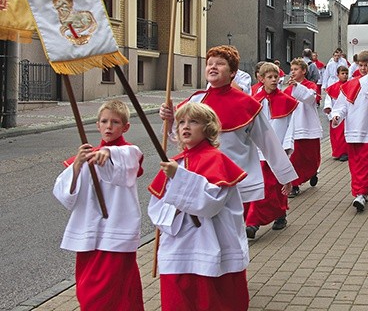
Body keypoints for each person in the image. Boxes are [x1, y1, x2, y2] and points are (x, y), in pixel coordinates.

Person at [159, 45, 297, 206]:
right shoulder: (195, 101)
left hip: (235, 179)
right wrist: (169, 120)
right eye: (210, 63)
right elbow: (179, 137)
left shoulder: (247, 104)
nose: (213, 67)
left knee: (229, 228)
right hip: (199, 178)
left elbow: (269, 142)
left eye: (220, 63)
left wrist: (285, 177)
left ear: (232, 72)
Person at [148, 102, 250, 310]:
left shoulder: (217, 160)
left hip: (211, 243)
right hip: (178, 246)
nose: (185, 126)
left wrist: (180, 178)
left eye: (193, 122)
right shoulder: (174, 163)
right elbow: (157, 208)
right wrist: (175, 200)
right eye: (181, 122)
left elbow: (210, 204)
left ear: (208, 128)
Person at [53, 100, 144, 310]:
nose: (109, 126)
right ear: (97, 125)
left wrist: (110, 153)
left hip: (116, 235)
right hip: (88, 235)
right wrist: (76, 166)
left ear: (125, 127)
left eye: (115, 122)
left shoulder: (129, 152)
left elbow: (130, 161)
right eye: (104, 121)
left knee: (112, 294)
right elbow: (65, 193)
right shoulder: (87, 155)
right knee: (87, 293)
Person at [245, 62, 298, 239]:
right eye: (270, 77)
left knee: (276, 184)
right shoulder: (254, 100)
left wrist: (287, 146)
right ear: (261, 79)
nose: (274, 80)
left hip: (278, 148)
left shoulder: (286, 101)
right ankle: (253, 222)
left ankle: (278, 214)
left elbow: (291, 126)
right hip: (258, 150)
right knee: (265, 185)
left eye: (276, 77)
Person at [330, 50, 368, 212]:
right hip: (354, 130)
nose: (362, 68)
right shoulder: (350, 84)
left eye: (365, 65)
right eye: (360, 65)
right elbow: (341, 106)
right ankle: (361, 191)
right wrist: (336, 116)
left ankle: (361, 194)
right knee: (355, 165)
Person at [284, 57, 323, 197]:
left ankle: (312, 172)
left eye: (296, 69)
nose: (293, 72)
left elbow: (311, 98)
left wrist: (297, 87)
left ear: (304, 71)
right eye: (291, 69)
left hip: (308, 125)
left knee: (310, 156)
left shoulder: (310, 85)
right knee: (294, 157)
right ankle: (294, 185)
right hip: (293, 128)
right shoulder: (287, 89)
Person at [323, 65, 349, 162]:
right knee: (335, 135)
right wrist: (328, 107)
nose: (345, 75)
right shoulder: (332, 88)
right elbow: (328, 99)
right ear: (337, 75)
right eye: (342, 73)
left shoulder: (350, 85)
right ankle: (336, 152)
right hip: (334, 114)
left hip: (345, 115)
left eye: (346, 73)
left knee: (343, 135)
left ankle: (344, 152)